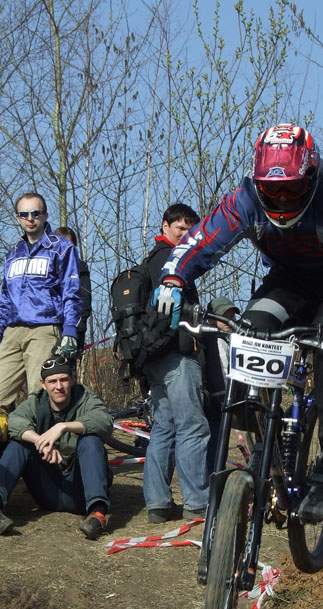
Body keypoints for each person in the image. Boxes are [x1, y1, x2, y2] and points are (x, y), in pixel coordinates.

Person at [154, 123, 323, 523]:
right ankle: (262, 437)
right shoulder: (246, 197)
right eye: (272, 189)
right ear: (258, 182)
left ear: (310, 177)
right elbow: (202, 239)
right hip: (289, 280)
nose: (281, 198)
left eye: (292, 189)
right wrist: (173, 278)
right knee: (248, 331)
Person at [139, 203, 211, 524]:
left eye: (190, 230)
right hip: (176, 354)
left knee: (164, 428)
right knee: (191, 426)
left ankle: (157, 503)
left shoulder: (151, 260)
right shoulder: (169, 260)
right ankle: (197, 502)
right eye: (181, 228)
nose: (186, 234)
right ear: (165, 226)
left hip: (154, 356)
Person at [0, 356, 113, 539]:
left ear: (73, 379)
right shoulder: (36, 402)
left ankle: (97, 514)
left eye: (64, 380)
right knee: (20, 442)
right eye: (52, 381)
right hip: (48, 489)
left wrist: (63, 427)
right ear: (43, 384)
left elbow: (104, 422)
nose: (58, 386)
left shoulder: (86, 398)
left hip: (79, 492)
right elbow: (14, 421)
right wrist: (41, 441)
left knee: (91, 440)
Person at [0, 193, 82, 417]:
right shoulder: (12, 254)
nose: (30, 218)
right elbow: (5, 298)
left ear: (45, 215)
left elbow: (72, 292)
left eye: (35, 213)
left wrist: (70, 330)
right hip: (12, 331)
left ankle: (43, 439)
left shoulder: (62, 248)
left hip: (44, 328)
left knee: (39, 397)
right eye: (24, 214)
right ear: (17, 218)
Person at [204, 296, 240, 473]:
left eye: (232, 317)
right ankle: (214, 478)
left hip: (222, 401)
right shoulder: (215, 341)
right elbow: (220, 372)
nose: (229, 321)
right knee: (216, 446)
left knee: (220, 445)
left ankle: (216, 475)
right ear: (212, 319)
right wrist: (223, 399)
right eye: (224, 317)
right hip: (216, 403)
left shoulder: (228, 339)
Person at [55, 226, 92, 356]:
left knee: (66, 366)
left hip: (72, 329)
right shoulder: (47, 267)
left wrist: (78, 329)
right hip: (48, 328)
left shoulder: (79, 268)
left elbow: (85, 300)